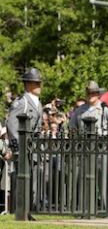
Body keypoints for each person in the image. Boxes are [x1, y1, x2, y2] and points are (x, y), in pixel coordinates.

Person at [68, 81, 108, 210]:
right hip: (84, 149)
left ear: (98, 94)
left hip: (101, 147)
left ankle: (106, 209)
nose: (91, 95)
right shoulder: (80, 110)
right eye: (88, 93)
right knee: (84, 180)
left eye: (93, 93)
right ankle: (84, 208)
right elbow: (71, 128)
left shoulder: (105, 109)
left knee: (103, 181)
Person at [7, 68, 43, 220]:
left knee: (33, 181)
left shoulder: (37, 102)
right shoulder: (22, 102)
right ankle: (22, 211)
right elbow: (12, 124)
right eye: (36, 83)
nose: (39, 86)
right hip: (23, 148)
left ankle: (29, 211)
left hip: (33, 148)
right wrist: (18, 147)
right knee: (23, 181)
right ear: (28, 84)